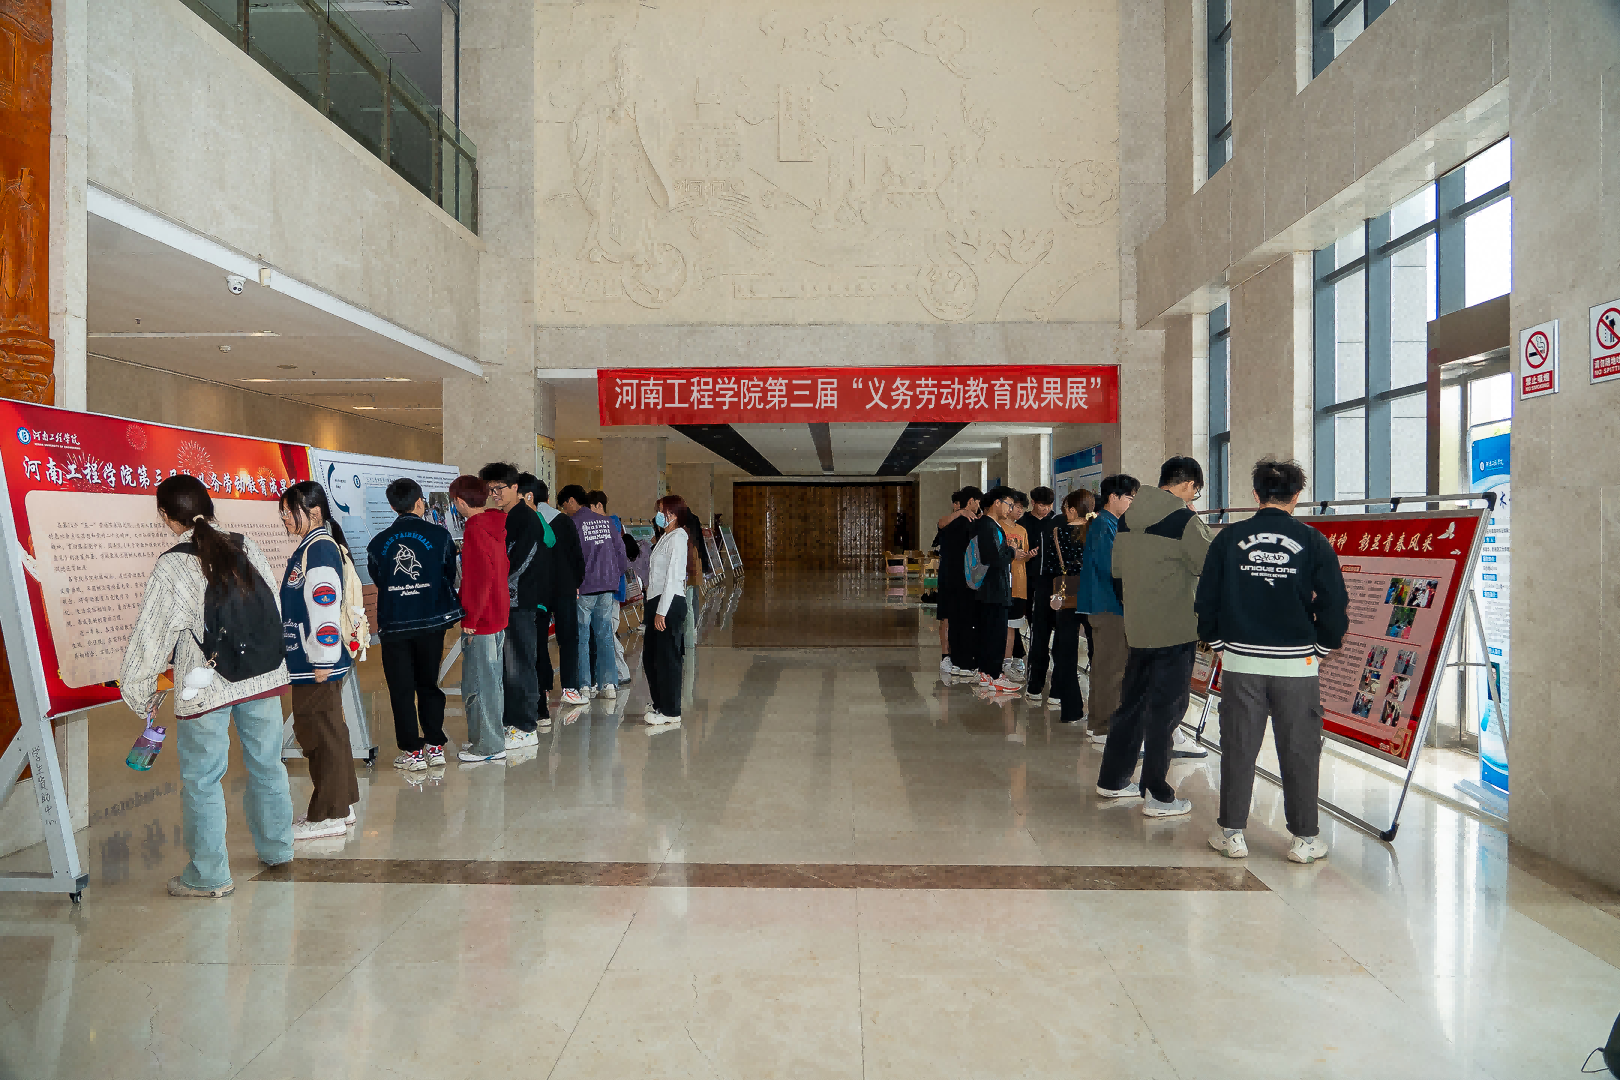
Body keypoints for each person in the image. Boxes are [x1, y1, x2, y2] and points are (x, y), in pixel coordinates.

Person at [120, 475, 292, 898]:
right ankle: (277, 849)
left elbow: (150, 638)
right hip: (263, 675)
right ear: (209, 507)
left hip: (206, 686)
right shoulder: (246, 545)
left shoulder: (173, 565)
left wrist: (140, 693)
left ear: (166, 515)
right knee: (268, 764)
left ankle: (209, 875)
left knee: (203, 780)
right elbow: (272, 606)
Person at [1197, 459, 1348, 864]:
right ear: (1296, 496)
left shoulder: (1229, 539)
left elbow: (1206, 598)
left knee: (1238, 746)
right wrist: (1321, 647)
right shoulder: (1313, 541)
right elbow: (1335, 603)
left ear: (1256, 494)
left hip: (1241, 662)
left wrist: (1218, 642)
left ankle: (1231, 833)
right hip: (1296, 666)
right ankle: (1304, 838)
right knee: (1300, 750)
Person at [1096, 457, 1211, 817]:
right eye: (1195, 491)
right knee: (1166, 711)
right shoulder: (1185, 520)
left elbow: (1117, 572)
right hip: (1175, 628)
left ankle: (1114, 779)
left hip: (1139, 627)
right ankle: (1158, 794)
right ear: (1189, 485)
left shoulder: (1127, 518)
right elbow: (1209, 566)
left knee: (1131, 704)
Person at [277, 481, 361, 840]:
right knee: (329, 730)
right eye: (282, 512)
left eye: (288, 511)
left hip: (316, 663)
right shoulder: (312, 545)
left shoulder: (320, 548)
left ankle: (329, 814)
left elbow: (324, 604)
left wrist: (324, 659)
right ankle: (343, 803)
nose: (284, 518)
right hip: (311, 659)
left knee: (319, 734)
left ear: (313, 512)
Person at [367, 478, 462, 772]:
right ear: (420, 502)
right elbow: (449, 574)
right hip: (431, 622)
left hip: (395, 624)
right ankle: (435, 745)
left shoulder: (378, 543)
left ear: (392, 506)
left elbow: (379, 579)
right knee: (429, 683)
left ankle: (412, 752)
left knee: (401, 689)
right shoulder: (440, 536)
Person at [481, 463, 552, 749]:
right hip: (506, 603)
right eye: (490, 489)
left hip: (520, 602)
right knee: (509, 665)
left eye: (499, 488)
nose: (494, 494)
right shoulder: (506, 517)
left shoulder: (526, 518)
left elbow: (519, 562)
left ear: (515, 488)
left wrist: (495, 580)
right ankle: (511, 721)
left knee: (520, 664)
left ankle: (525, 726)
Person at [450, 474, 509, 762]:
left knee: (480, 683)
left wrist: (471, 619)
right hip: (497, 612)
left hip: (482, 619)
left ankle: (488, 746)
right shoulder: (495, 524)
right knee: (491, 681)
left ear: (461, 502)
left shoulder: (474, 529)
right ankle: (484, 738)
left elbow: (478, 578)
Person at [1076, 474, 1138, 744]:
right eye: (1130, 498)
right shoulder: (1105, 525)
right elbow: (1112, 568)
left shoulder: (1110, 524)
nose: (1132, 503)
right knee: (1111, 669)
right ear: (1114, 497)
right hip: (1108, 606)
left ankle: (1098, 723)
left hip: (1106, 605)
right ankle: (1104, 727)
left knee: (1106, 667)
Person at [561, 483, 629, 699]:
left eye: (564, 505)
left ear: (572, 501)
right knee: (605, 635)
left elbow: (569, 558)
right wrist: (613, 576)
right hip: (607, 587)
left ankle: (585, 685)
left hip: (584, 588)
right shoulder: (607, 522)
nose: (565, 510)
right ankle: (609, 684)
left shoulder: (573, 523)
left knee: (582, 637)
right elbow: (621, 554)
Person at [1044, 489, 1094, 725]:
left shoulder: (1058, 532)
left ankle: (1072, 710)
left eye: (1065, 508)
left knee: (1065, 652)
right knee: (1097, 651)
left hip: (1067, 594)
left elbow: (1052, 566)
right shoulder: (1096, 530)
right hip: (1093, 594)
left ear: (1073, 510)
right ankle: (1099, 709)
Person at [643, 494, 691, 726]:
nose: (658, 515)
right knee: (651, 657)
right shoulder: (666, 536)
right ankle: (660, 703)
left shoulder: (678, 537)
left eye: (661, 511)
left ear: (672, 514)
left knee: (667, 658)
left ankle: (671, 711)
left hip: (668, 603)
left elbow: (673, 577)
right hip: (657, 601)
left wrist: (661, 611)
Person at [971, 486, 1021, 694]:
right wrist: (1012, 551)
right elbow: (994, 558)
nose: (1010, 509)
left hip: (988, 588)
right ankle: (994, 675)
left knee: (988, 632)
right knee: (995, 633)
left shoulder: (987, 525)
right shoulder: (988, 526)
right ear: (997, 503)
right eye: (1009, 504)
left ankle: (986, 673)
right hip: (993, 589)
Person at [544, 480, 588, 704]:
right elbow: (578, 558)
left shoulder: (526, 521)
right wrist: (575, 582)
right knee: (568, 639)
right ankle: (570, 688)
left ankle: (542, 687)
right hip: (565, 589)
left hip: (538, 591)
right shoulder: (564, 521)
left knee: (537, 640)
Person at [935, 486, 982, 678]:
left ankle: (954, 658)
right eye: (978, 502)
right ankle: (955, 658)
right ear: (971, 501)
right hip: (961, 578)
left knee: (953, 618)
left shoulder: (961, 522)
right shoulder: (965, 523)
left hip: (952, 577)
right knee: (956, 618)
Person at [1020, 487, 1061, 701]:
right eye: (1041, 505)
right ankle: (1035, 681)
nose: (1045, 510)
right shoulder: (1023, 523)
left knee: (1056, 632)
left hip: (1056, 585)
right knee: (1038, 632)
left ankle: (1055, 680)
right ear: (1033, 503)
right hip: (1031, 580)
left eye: (1049, 506)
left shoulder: (1056, 522)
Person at [1003, 496, 1034, 679]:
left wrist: (1028, 555)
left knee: (1013, 625)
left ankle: (1010, 661)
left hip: (1020, 582)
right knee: (1001, 624)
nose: (1019, 510)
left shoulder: (1022, 530)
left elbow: (1023, 555)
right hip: (1003, 583)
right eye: (1016, 506)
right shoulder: (998, 527)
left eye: (1022, 507)